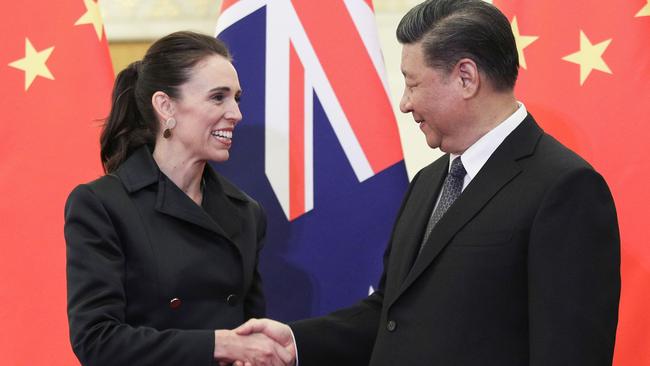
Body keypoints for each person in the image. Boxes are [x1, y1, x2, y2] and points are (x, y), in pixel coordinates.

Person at [234, 1, 621, 365]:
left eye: (412, 83)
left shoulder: (564, 187)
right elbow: (392, 313)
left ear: (466, 78)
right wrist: (294, 343)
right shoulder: (428, 181)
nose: (404, 103)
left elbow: (569, 352)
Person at [64, 31, 292, 366]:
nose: (236, 114)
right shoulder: (101, 204)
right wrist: (219, 345)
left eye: (236, 98)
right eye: (218, 97)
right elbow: (96, 340)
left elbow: (248, 332)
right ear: (165, 106)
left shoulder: (246, 212)